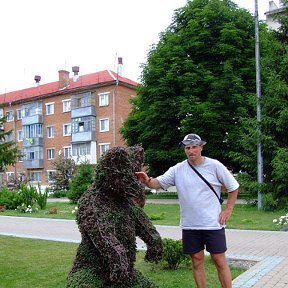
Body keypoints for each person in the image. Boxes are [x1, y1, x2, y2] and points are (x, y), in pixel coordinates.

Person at [135, 133, 239, 288]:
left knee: (219, 260)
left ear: (201, 147)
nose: (191, 151)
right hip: (190, 225)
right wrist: (147, 180)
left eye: (194, 147)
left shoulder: (214, 165)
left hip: (213, 224)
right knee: (197, 261)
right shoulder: (178, 169)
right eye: (188, 148)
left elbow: (233, 187)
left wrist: (228, 209)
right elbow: (158, 183)